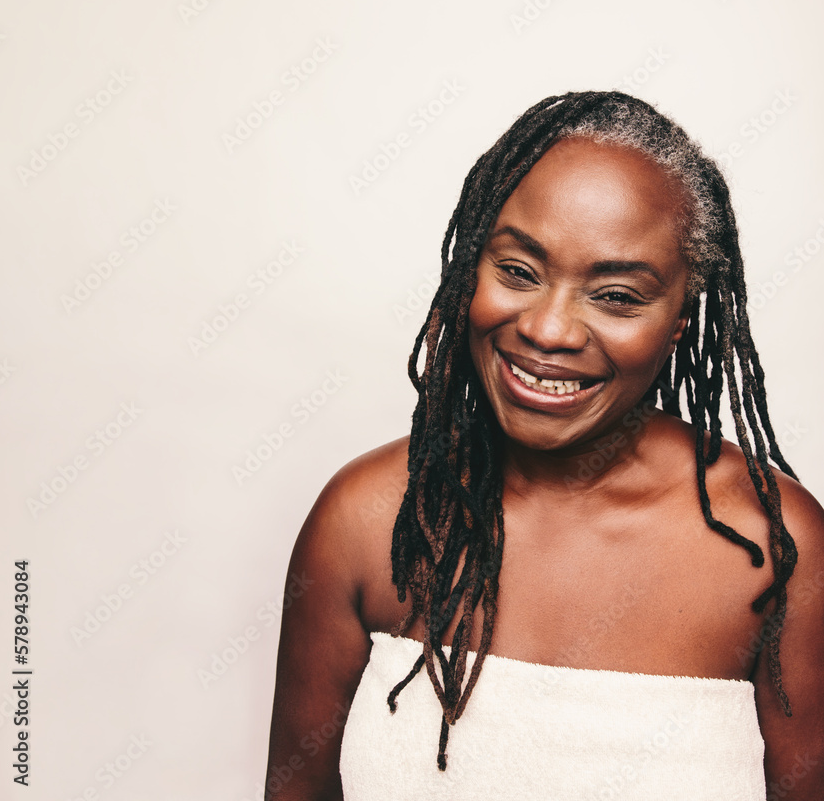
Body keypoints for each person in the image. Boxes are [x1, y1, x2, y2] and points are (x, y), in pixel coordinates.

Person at [264, 91, 824, 800]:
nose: (549, 330)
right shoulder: (368, 520)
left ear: (680, 320)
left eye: (617, 295)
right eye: (518, 272)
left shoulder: (770, 548)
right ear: (468, 267)